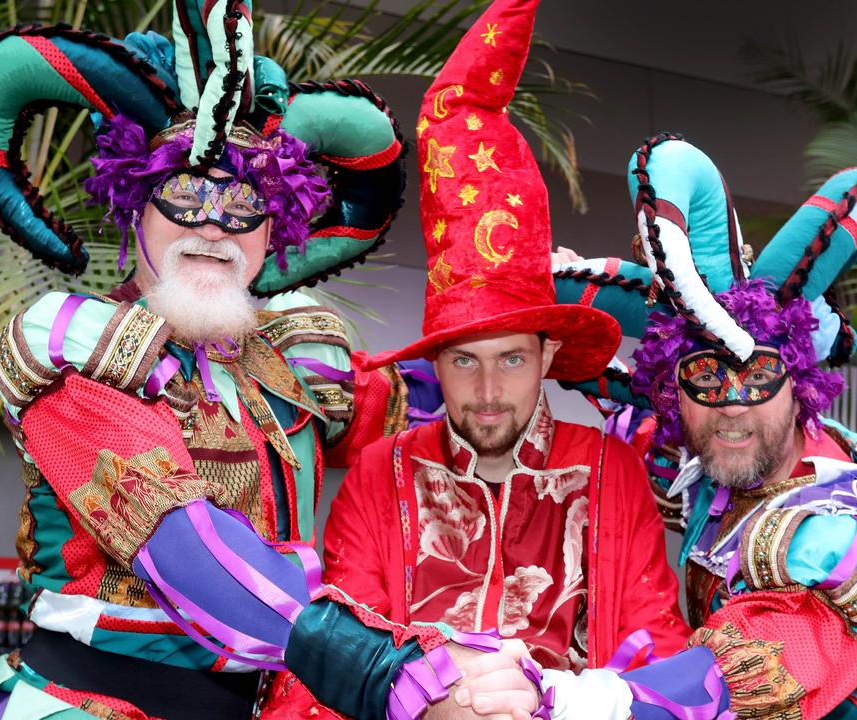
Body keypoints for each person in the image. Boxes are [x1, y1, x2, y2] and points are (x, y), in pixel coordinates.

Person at [0, 6, 541, 720]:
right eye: (185, 193)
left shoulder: (295, 361)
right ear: (134, 203)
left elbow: (454, 399)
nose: (211, 224)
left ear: (272, 229)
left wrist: (534, 315)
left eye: (242, 202)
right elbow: (186, 552)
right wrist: (398, 675)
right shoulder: (82, 359)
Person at [262, 1, 689, 714]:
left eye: (512, 360)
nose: (487, 390)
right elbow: (339, 649)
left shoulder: (610, 473)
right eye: (464, 361)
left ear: (549, 354)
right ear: (436, 361)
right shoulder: (381, 472)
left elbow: (659, 651)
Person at [476, 134, 857, 718]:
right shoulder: (709, 461)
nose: (731, 405)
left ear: (800, 386)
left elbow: (767, 667)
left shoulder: (838, 527)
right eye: (705, 375)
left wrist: (597, 702)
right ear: (674, 393)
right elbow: (610, 404)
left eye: (758, 375)